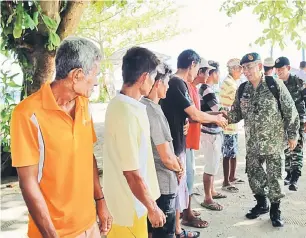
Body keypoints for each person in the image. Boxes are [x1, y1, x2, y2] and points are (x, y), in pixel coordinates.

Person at [10, 37, 112, 238]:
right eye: (95, 74)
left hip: (90, 226)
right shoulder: (27, 114)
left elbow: (87, 155)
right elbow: (27, 183)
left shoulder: (83, 104)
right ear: (77, 75)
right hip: (55, 232)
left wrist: (100, 201)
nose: (97, 81)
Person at [227, 52, 299, 227]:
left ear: (259, 67)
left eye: (250, 67)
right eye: (243, 68)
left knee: (275, 178)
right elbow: (235, 114)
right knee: (254, 176)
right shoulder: (242, 89)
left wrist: (293, 135)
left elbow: (291, 111)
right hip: (253, 144)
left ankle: (275, 210)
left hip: (274, 142)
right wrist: (220, 117)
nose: (246, 71)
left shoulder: (275, 85)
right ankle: (261, 204)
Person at [160, 49, 228, 235]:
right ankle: (176, 230)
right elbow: (194, 113)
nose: (198, 71)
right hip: (173, 144)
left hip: (178, 141)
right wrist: (216, 119)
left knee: (178, 187)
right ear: (192, 65)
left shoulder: (181, 84)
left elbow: (188, 115)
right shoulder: (176, 83)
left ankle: (177, 228)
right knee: (174, 188)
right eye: (198, 67)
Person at [103, 47, 165, 238]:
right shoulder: (124, 112)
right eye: (153, 78)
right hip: (128, 207)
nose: (154, 83)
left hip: (135, 203)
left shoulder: (130, 106)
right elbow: (131, 173)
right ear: (144, 77)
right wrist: (152, 207)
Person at [141, 63, 199, 238]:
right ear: (157, 84)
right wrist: (178, 167)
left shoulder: (147, 106)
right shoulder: (153, 111)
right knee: (163, 232)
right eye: (166, 83)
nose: (168, 87)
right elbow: (166, 157)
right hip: (163, 182)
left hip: (155, 180)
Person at [184, 58, 215, 218]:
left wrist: (216, 114)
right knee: (188, 177)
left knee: (189, 175)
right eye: (207, 71)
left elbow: (199, 113)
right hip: (186, 141)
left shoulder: (194, 89)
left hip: (191, 140)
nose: (209, 75)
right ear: (199, 71)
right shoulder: (188, 88)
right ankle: (187, 213)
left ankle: (185, 210)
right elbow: (194, 115)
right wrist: (216, 118)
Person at [199, 61, 227, 211]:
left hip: (212, 132)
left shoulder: (209, 89)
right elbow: (218, 110)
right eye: (217, 73)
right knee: (210, 165)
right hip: (209, 133)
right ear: (212, 73)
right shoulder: (207, 90)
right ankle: (207, 198)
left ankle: (212, 191)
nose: (218, 76)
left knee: (214, 163)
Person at [274, 56, 306, 191]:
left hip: (298, 120)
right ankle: (288, 174)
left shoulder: (299, 82)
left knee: (297, 148)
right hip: (282, 122)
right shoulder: (275, 84)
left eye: (281, 69)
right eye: (277, 69)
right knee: (286, 149)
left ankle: (295, 177)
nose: (279, 72)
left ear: (288, 68)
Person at [219, 58, 244, 193]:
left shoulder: (232, 82)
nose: (241, 71)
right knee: (228, 154)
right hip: (228, 124)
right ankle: (226, 181)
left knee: (233, 152)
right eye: (240, 68)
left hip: (232, 124)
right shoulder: (230, 83)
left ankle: (232, 177)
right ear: (234, 69)